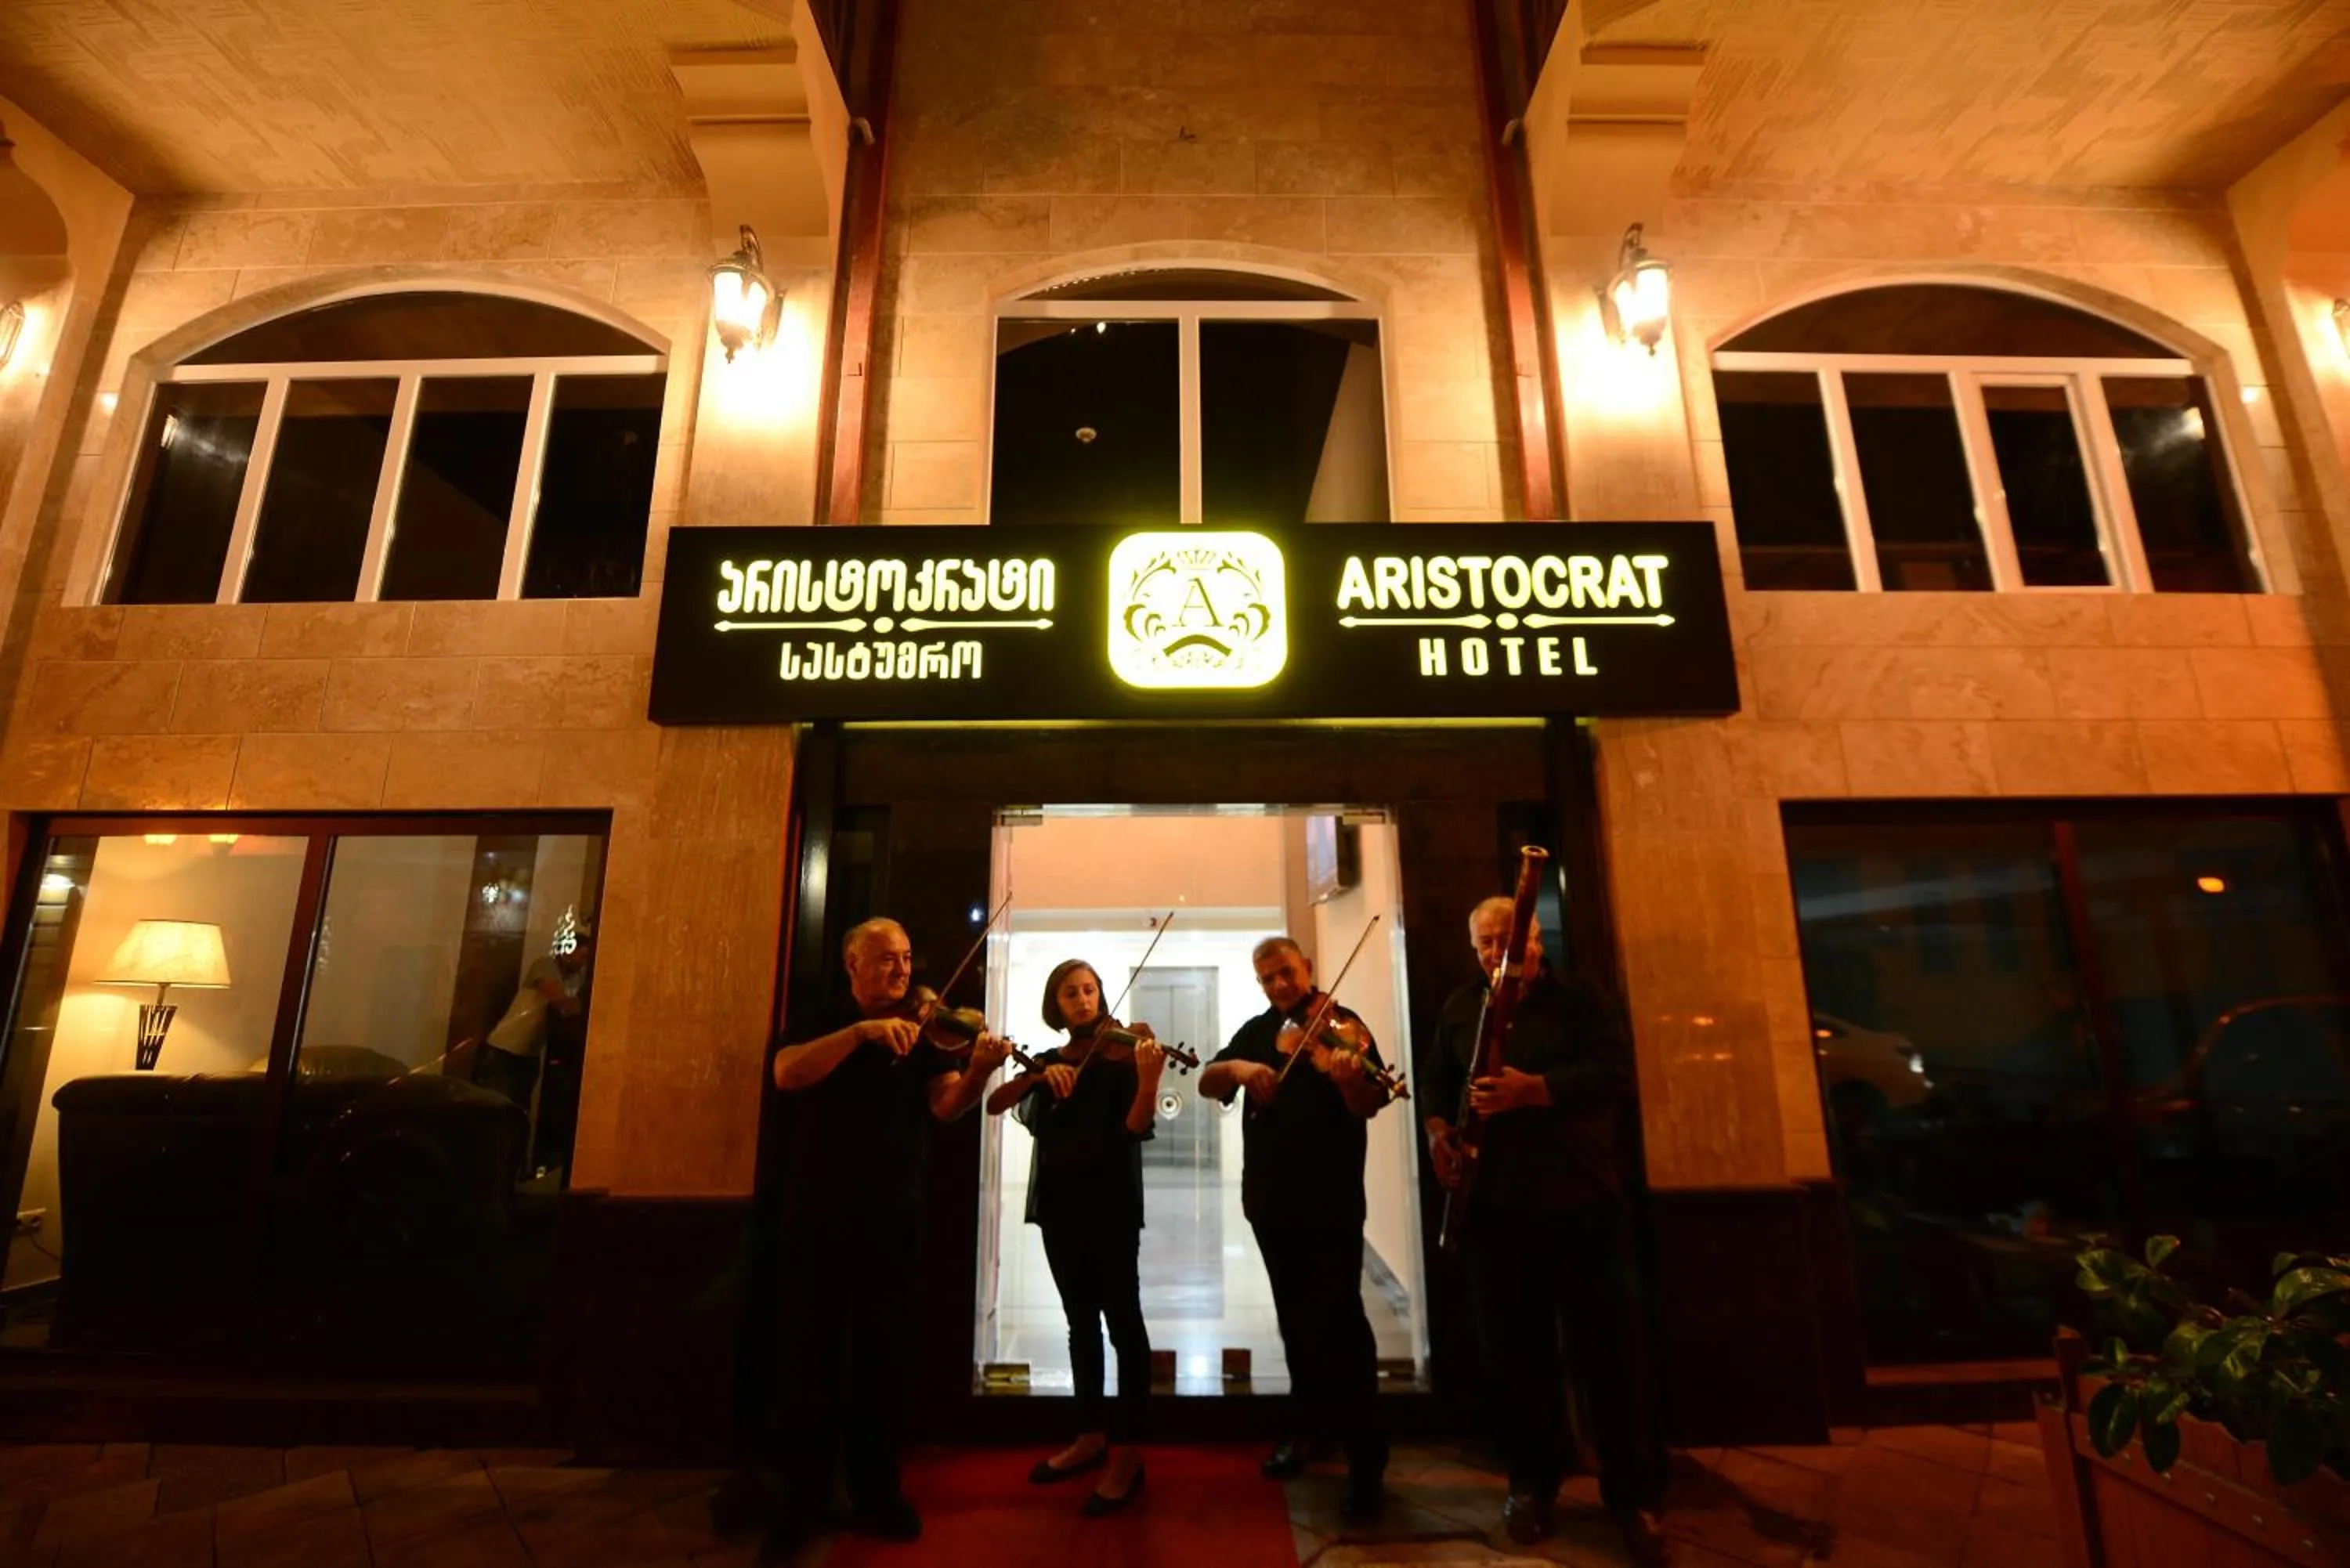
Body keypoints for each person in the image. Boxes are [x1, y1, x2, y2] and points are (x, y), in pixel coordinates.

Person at [1421, 898, 1670, 1563]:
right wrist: (1439, 1136)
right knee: (1516, 1357)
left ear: (1535, 939)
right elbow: (1438, 1085)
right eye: (1483, 942)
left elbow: (1616, 1075)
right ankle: (1532, 1483)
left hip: (1583, 1200)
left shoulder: (1583, 1000)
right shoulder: (1461, 1006)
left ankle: (1634, 1496)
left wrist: (1533, 1090)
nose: (1495, 951)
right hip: (1497, 1208)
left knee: (1612, 1355)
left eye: (1507, 938)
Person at [763, 917, 1009, 1556]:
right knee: (810, 1358)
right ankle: (803, 1497)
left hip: (894, 1213)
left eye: (905, 958)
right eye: (885, 960)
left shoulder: (924, 1032)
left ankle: (878, 1493)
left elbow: (945, 1106)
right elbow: (786, 1073)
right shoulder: (823, 1018)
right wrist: (861, 1033)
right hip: (817, 1213)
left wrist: (979, 1073)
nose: (901, 971)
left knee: (883, 1360)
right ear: (853, 964)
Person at [1198, 936, 1393, 1524]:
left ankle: (1366, 1460)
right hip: (1271, 1202)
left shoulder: (1344, 1027)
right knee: (1294, 1321)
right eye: (1268, 978)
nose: (1279, 985)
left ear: (1307, 967)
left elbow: (1370, 1103)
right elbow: (1209, 1081)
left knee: (1343, 1326)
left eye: (1286, 972)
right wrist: (1238, 1068)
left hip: (1331, 1203)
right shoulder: (1259, 1031)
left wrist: (1347, 1080)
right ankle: (1312, 1430)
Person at [985, 959, 1164, 1516]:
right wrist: (1037, 1078)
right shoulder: (1047, 1061)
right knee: (1080, 1322)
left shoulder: (1124, 1056)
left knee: (1125, 1325)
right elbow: (995, 1104)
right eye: (1070, 993)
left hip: (1110, 1206)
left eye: (1090, 990)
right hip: (1060, 1208)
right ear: (1056, 1005)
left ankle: (1129, 1454)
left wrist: (1150, 1080)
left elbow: (1135, 1127)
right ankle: (1089, 1435)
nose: (1084, 1000)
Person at [474, 928, 590, 1111]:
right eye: (582, 956)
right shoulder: (545, 965)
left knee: (518, 1110)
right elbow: (558, 1000)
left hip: (529, 1054)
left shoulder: (574, 977)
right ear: (568, 951)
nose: (583, 963)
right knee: (496, 1110)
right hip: (503, 1051)